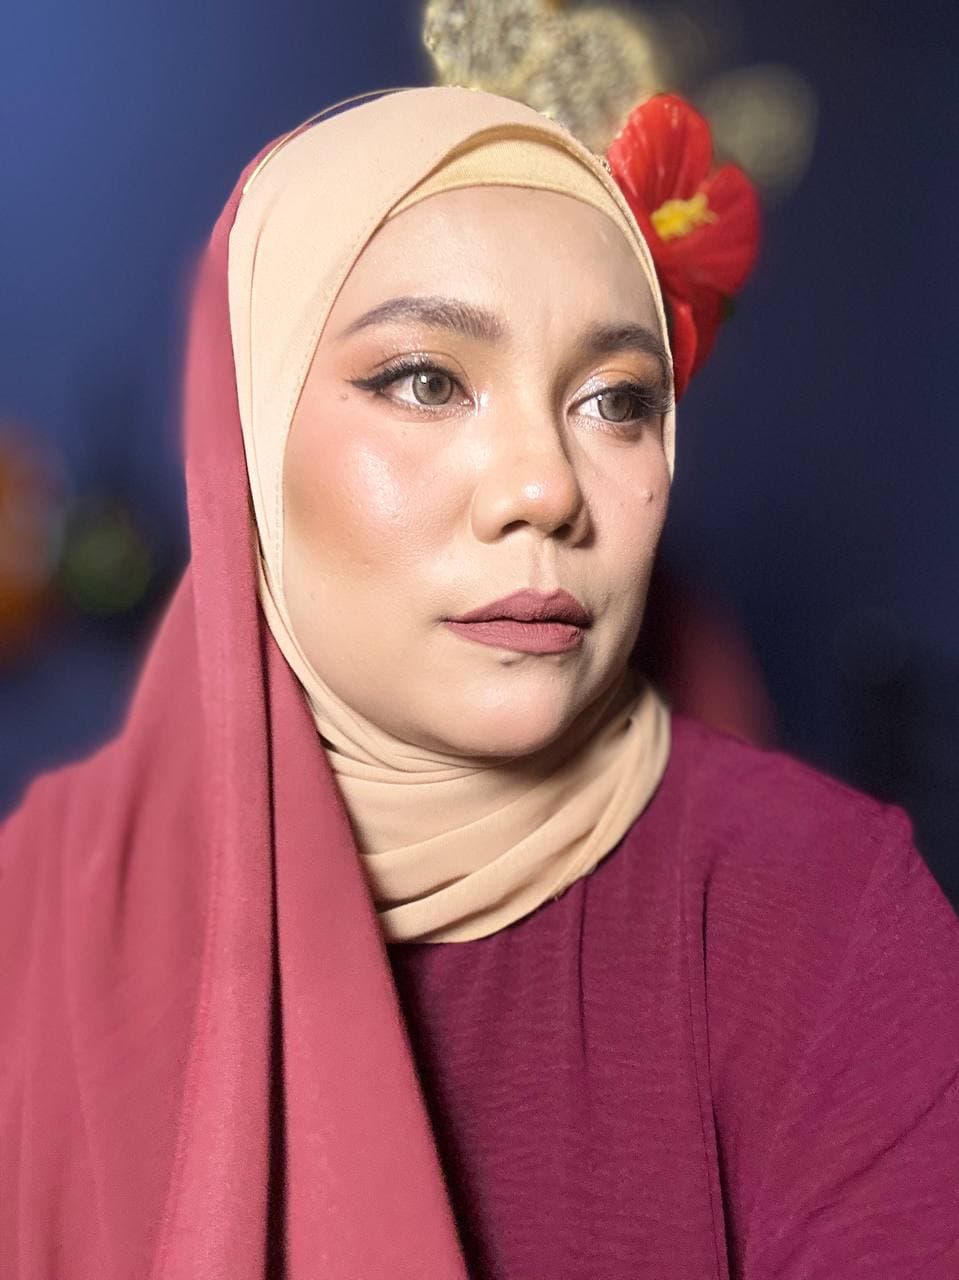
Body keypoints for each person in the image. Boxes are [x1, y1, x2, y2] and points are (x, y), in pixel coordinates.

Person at [1, 84, 957, 1280]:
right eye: (425, 380)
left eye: (615, 401)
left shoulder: (820, 915)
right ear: (244, 436)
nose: (543, 487)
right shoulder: (33, 913)